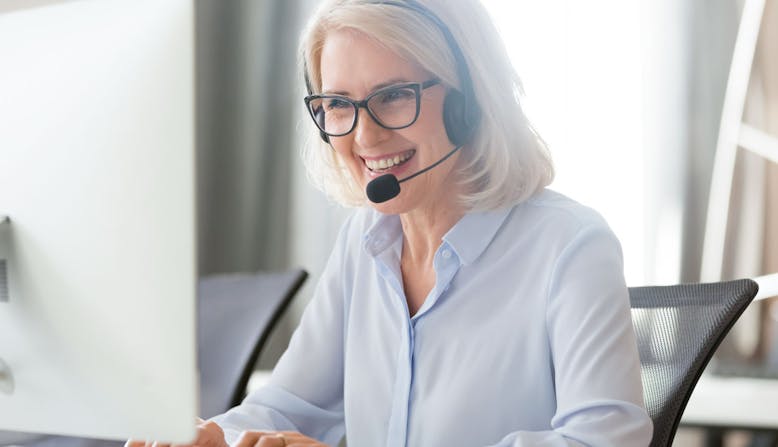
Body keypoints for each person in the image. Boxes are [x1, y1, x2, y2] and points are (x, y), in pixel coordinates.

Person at [128, 0, 653, 446]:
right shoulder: (365, 242)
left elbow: (603, 440)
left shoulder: (569, 246)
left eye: (394, 96)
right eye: (338, 104)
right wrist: (215, 435)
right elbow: (290, 405)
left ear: (468, 102)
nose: (365, 138)